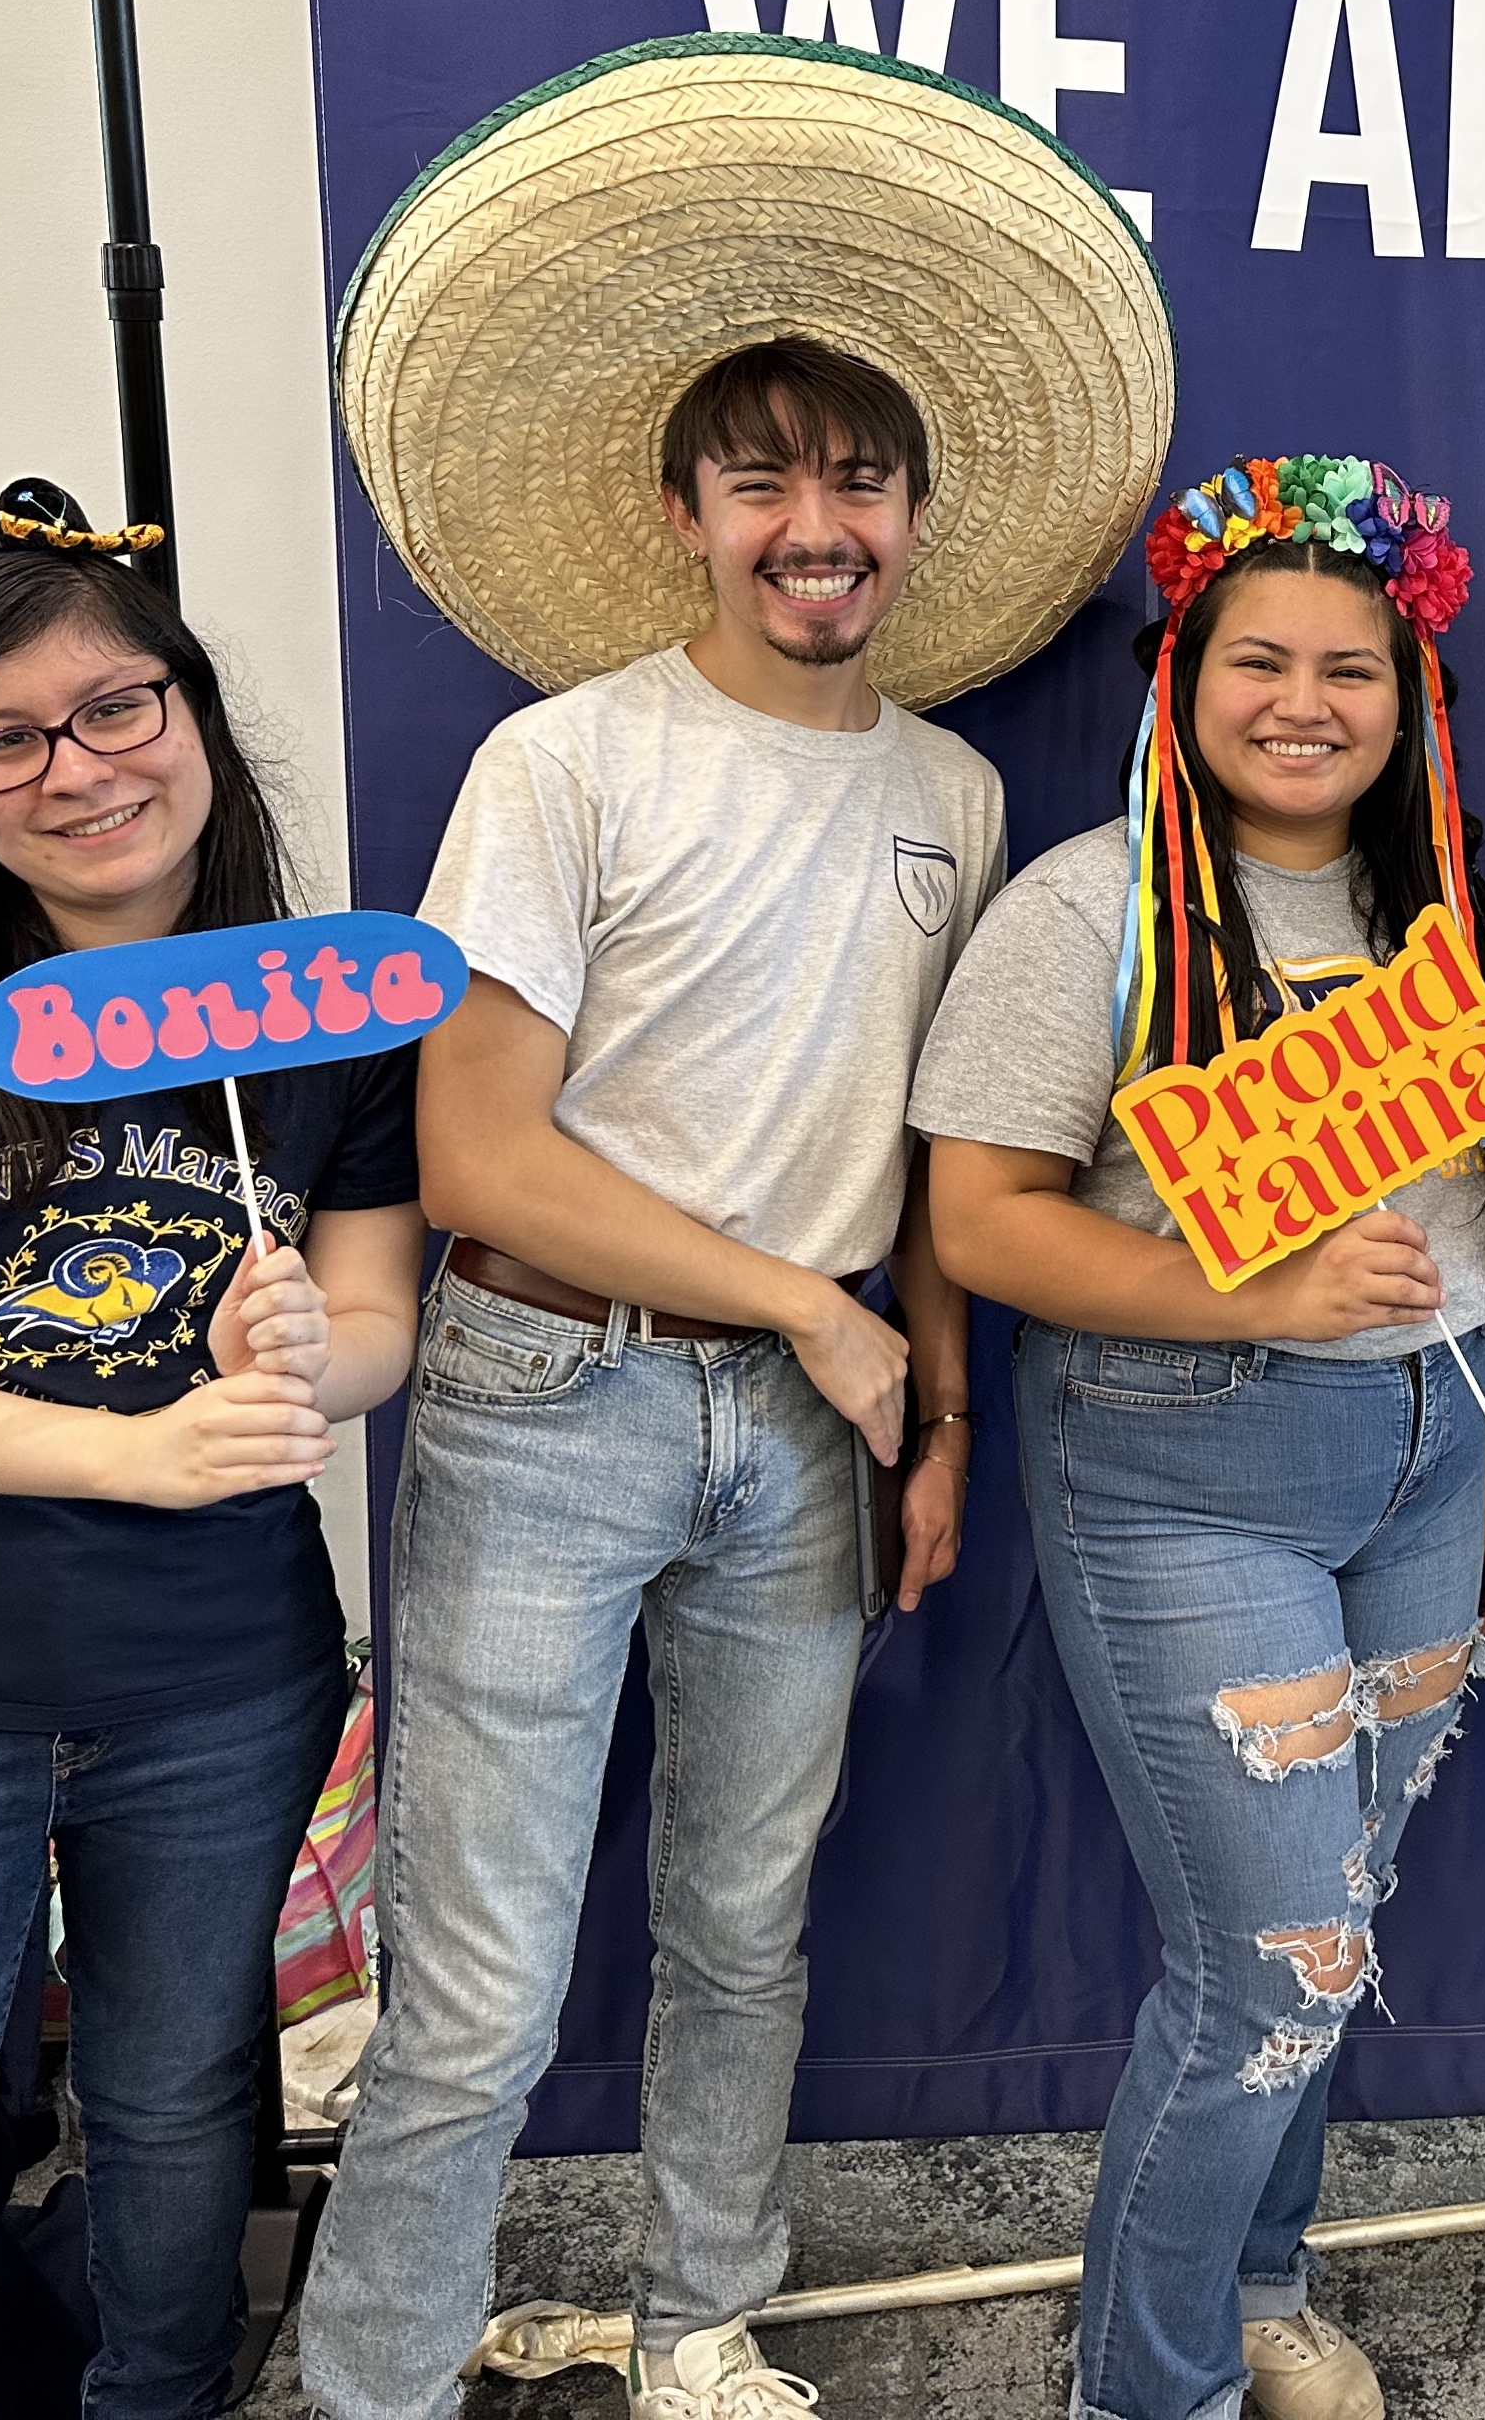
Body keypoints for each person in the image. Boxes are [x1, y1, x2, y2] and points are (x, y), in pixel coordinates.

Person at [292, 339, 1002, 2420]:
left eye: (861, 481)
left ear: (915, 519)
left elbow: (942, 1165)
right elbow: (474, 1157)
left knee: (745, 1923)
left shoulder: (952, 794)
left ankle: (701, 2316)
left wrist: (934, 1413)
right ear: (687, 516)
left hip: (823, 1428)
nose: (816, 527)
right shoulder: (565, 763)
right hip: (545, 1397)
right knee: (482, 1986)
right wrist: (805, 1304)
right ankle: (380, 2384)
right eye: (764, 486)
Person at [0, 482, 425, 2418]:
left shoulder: (325, 1012)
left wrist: (306, 1344)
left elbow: (377, 1321)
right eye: (11, 738)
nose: (80, 767)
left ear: (194, 716)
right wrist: (132, 1455)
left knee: (184, 2130)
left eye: (121, 708)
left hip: (215, 1690)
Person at [915, 455, 1485, 2420]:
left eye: (1349, 667)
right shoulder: (1084, 909)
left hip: (1428, 1462)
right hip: (1186, 1464)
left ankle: (1262, 2287)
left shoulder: (1441, 905)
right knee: (1270, 1961)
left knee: (1334, 1937)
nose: (1306, 701)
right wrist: (1254, 1300)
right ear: (1179, 683)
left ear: (1408, 693)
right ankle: (1153, 2386)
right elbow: (980, 1223)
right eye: (1259, 661)